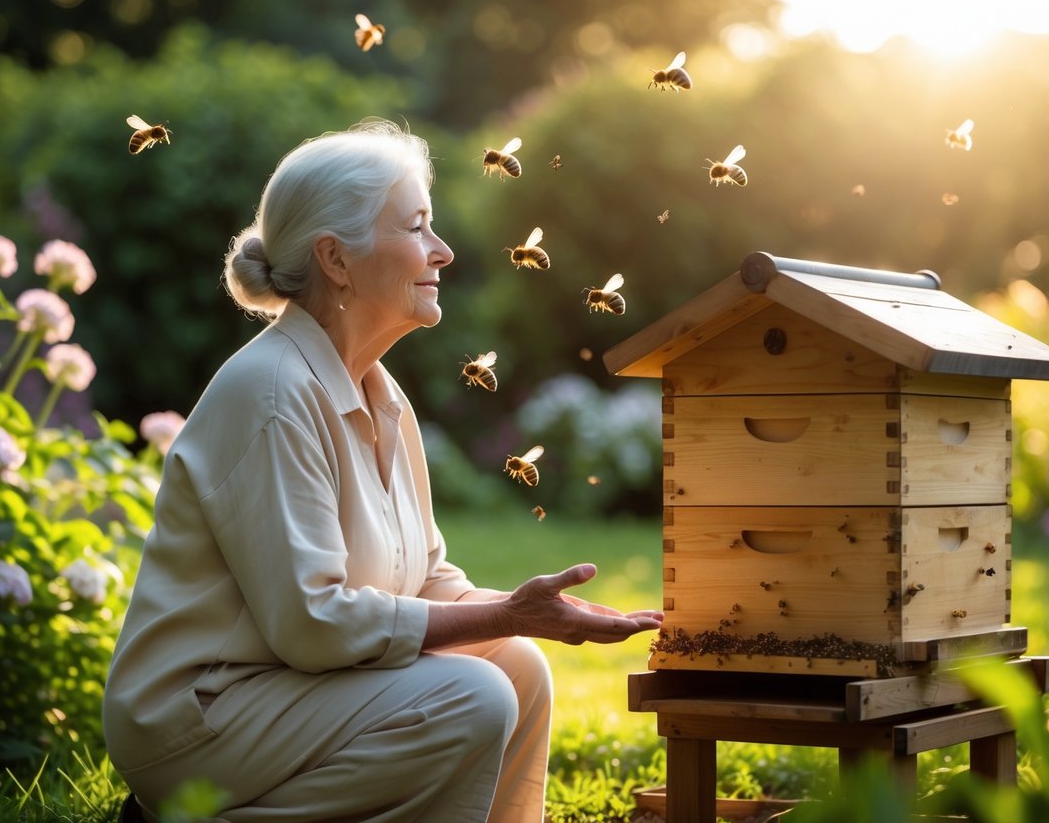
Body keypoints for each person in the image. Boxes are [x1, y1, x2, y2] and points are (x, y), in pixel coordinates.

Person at [102, 118, 663, 823]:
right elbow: (312, 622)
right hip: (203, 717)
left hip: (289, 690)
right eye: (418, 227)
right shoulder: (273, 393)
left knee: (517, 666)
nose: (444, 250)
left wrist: (542, 616)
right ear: (336, 259)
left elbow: (424, 577)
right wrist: (510, 613)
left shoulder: (377, 388)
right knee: (472, 696)